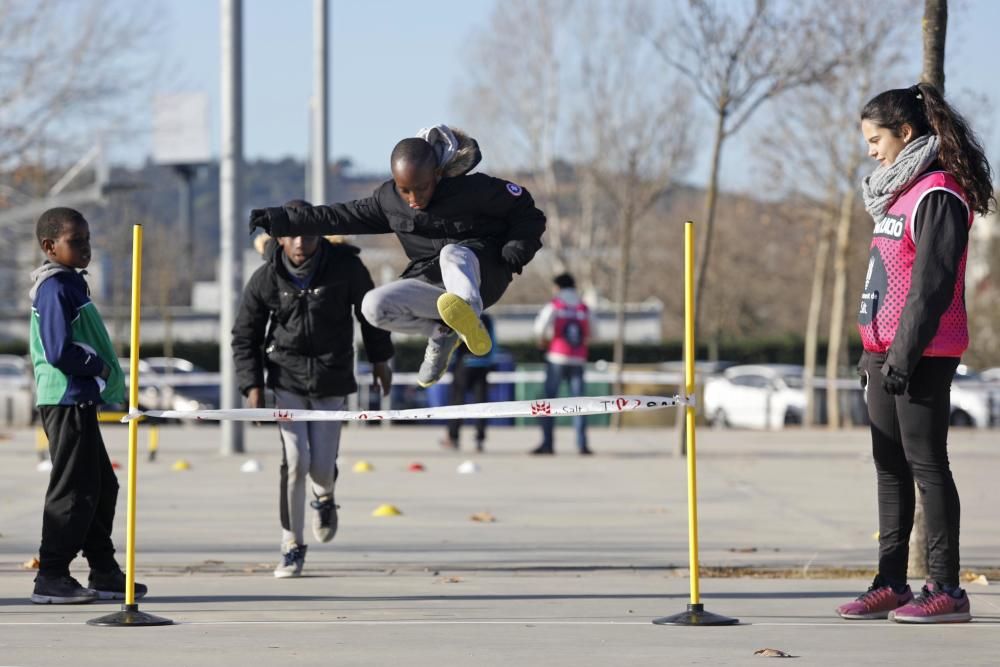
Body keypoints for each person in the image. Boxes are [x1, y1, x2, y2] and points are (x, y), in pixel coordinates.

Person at [836, 83, 995, 624]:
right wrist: (871, 353)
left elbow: (930, 285)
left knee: (928, 466)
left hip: (923, 351)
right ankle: (891, 583)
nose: (871, 150)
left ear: (905, 133)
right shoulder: (895, 193)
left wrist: (903, 355)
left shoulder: (939, 192)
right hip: (883, 354)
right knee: (888, 468)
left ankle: (947, 589)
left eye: (876, 139)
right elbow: (885, 279)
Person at [248, 125, 546, 388]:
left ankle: (467, 312)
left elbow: (528, 213)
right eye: (405, 191)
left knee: (453, 254)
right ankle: (444, 330)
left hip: (483, 275)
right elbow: (337, 216)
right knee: (372, 306)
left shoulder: (475, 189)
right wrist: (280, 220)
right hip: (431, 283)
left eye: (422, 188)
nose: (414, 199)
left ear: (437, 174)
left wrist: (515, 253)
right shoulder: (387, 201)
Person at [233, 202, 394, 578]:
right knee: (295, 462)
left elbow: (371, 318)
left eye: (307, 233)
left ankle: (325, 497)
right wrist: (251, 384)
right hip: (286, 377)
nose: (299, 242)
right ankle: (291, 544)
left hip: (331, 377)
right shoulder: (266, 276)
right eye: (290, 235)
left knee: (321, 467)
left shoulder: (346, 268)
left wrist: (381, 359)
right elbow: (245, 335)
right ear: (278, 239)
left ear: (320, 234)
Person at [28, 207, 147, 604]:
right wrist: (96, 366)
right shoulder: (55, 288)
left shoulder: (73, 284)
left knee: (103, 484)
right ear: (50, 246)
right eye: (75, 241)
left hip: (81, 399)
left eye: (88, 239)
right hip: (65, 398)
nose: (86, 248)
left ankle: (104, 569)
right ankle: (52, 575)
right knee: (74, 488)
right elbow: (59, 350)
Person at [531, 273, 594, 456]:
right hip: (578, 358)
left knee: (549, 402)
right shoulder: (583, 307)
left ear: (558, 287)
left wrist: (543, 340)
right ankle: (582, 445)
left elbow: (539, 327)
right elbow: (595, 332)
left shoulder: (556, 305)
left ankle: (548, 444)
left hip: (557, 357)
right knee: (579, 403)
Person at [442, 313, 496, 453]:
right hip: (482, 365)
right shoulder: (487, 318)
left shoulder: (460, 316)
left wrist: (449, 361)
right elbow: (494, 342)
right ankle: (479, 440)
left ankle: (453, 438)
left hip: (463, 364)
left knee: (457, 402)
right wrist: (490, 361)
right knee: (481, 404)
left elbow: (452, 341)